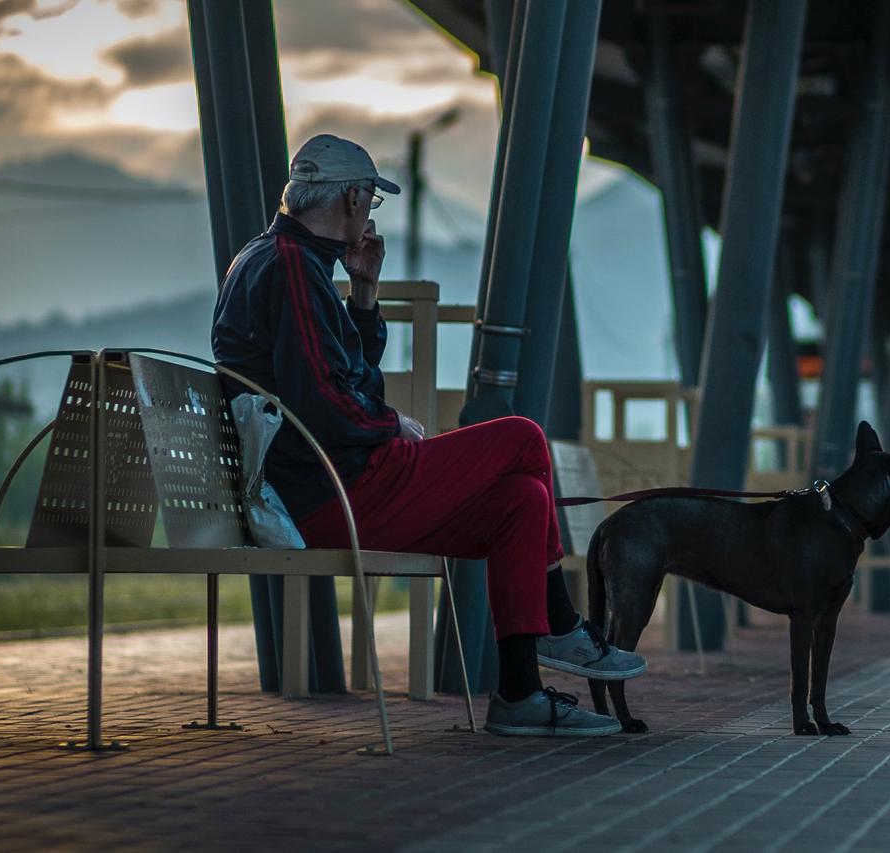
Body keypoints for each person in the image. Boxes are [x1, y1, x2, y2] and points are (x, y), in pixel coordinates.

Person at [212, 134, 644, 737]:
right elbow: (328, 405)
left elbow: (348, 379)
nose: (368, 214)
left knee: (522, 502)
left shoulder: (274, 259)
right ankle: (564, 626)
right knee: (521, 437)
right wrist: (395, 428)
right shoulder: (289, 268)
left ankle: (519, 695)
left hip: (326, 486)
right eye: (369, 202)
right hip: (331, 493)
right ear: (352, 199)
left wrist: (364, 294)